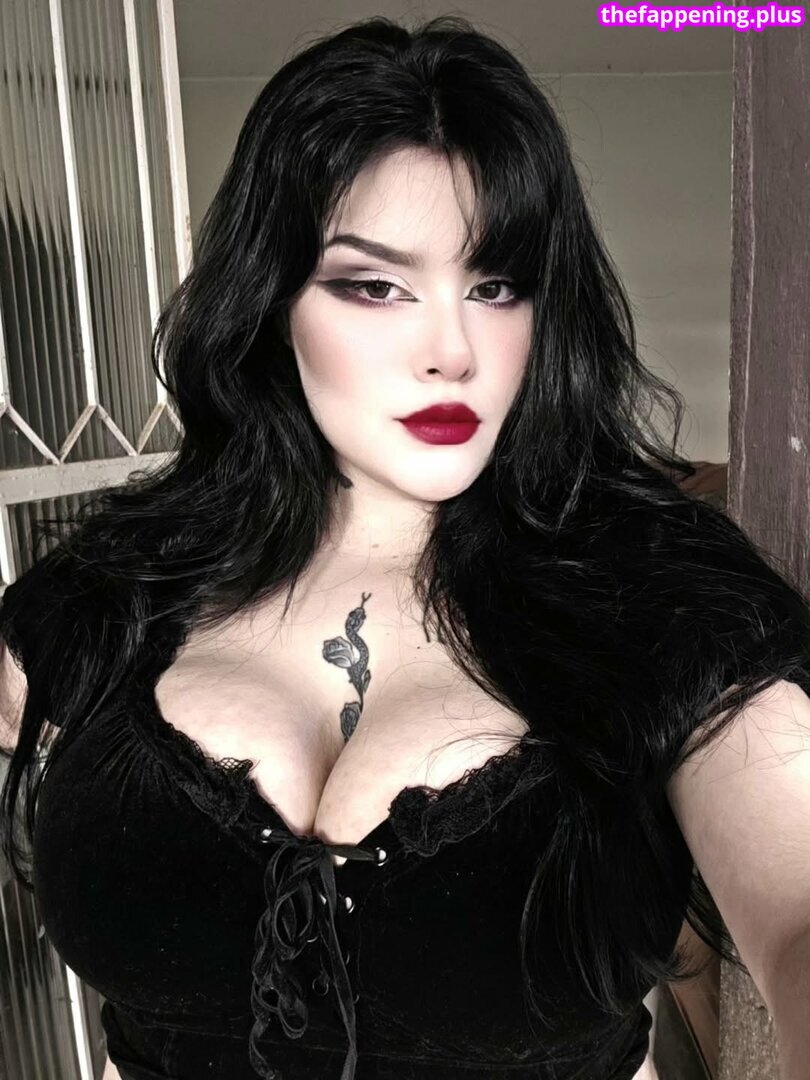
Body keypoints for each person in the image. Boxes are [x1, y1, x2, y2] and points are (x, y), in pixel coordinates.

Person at [1, 15, 809, 1080]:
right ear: (271, 301)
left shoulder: (662, 596)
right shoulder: (115, 587)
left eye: (495, 286)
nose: (453, 352)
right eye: (376, 286)